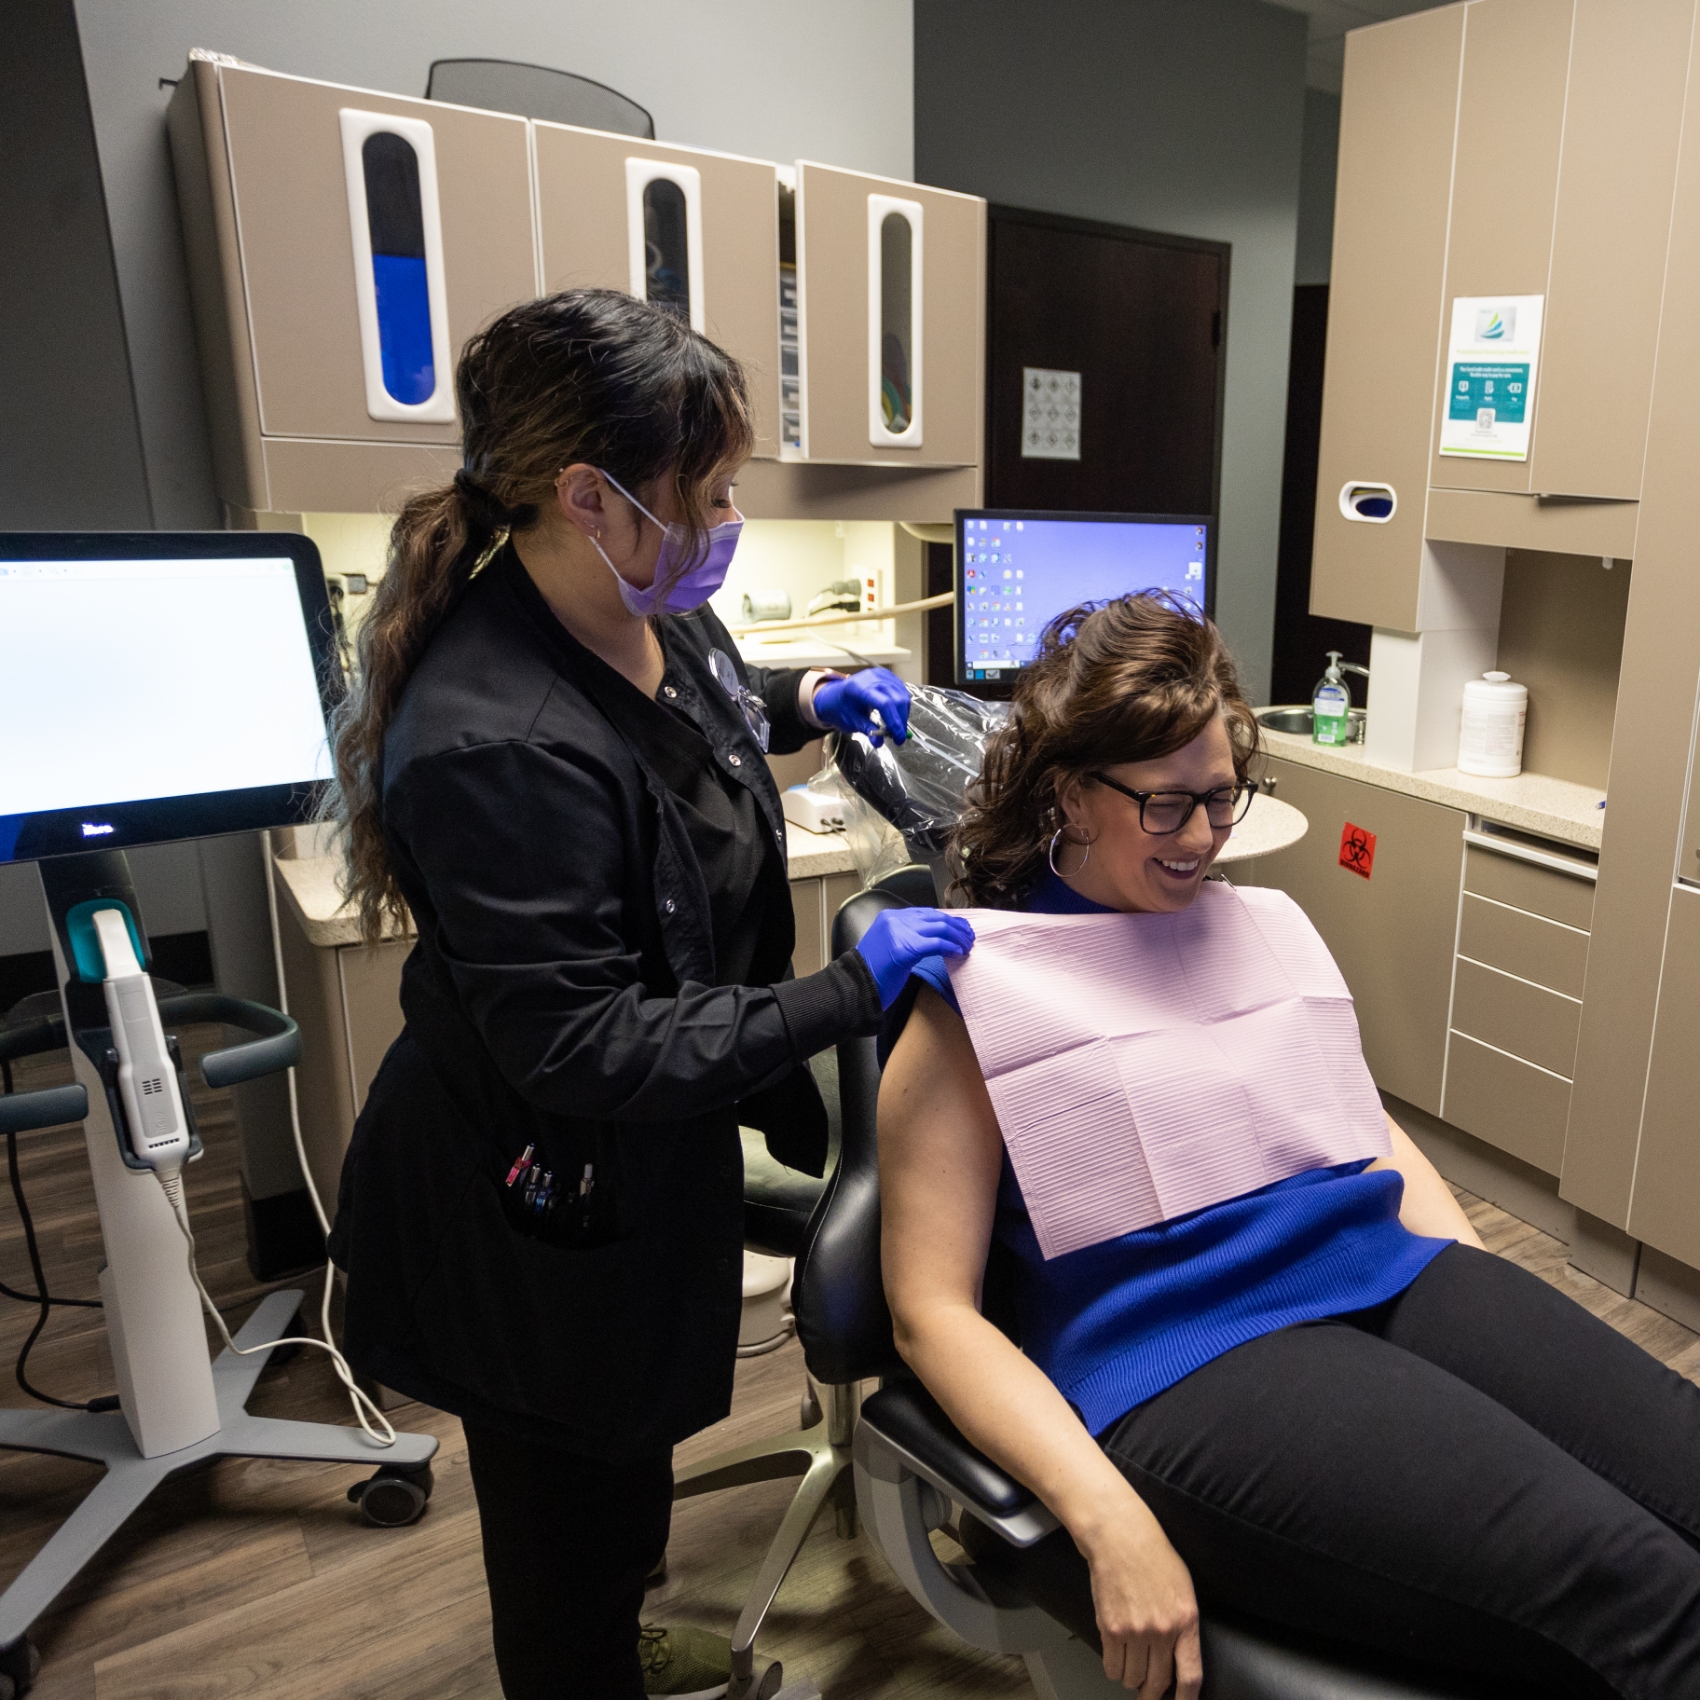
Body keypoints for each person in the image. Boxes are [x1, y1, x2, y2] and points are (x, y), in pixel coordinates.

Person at [322, 288, 974, 1700]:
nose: (727, 520)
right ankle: (581, 1666)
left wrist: (811, 699)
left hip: (630, 1159)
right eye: (713, 491)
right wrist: (842, 995)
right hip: (528, 1189)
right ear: (588, 496)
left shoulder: (643, 605)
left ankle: (610, 1640)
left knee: (617, 1475)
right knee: (562, 1510)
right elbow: (587, 1045)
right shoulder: (495, 738)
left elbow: (700, 721)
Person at [879, 592, 1700, 1700]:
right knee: (1639, 1589)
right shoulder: (981, 988)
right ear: (1069, 793)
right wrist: (1108, 1517)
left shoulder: (1255, 928)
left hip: (1384, 1272)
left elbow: (1364, 1121)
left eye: (1221, 796)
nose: (1204, 836)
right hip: (1187, 1348)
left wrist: (1475, 1279)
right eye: (1164, 807)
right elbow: (929, 1310)